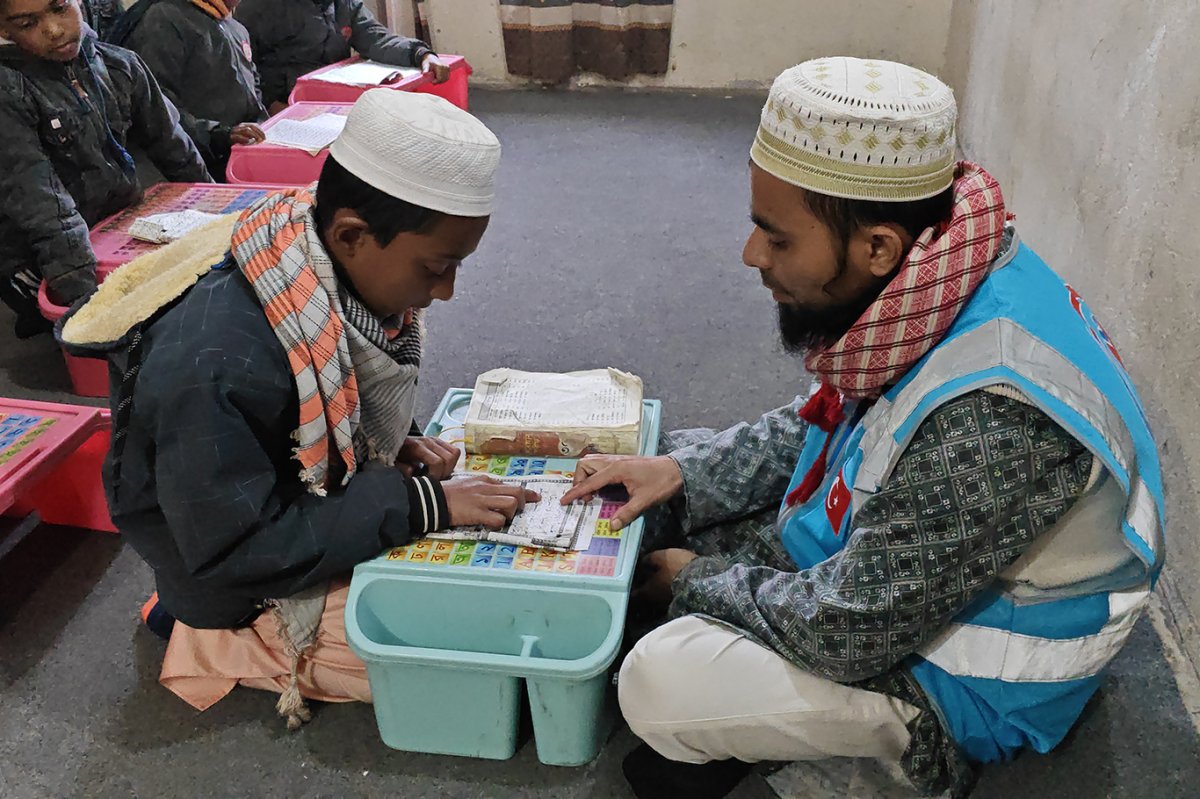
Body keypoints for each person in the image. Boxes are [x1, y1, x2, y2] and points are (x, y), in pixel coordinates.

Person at [562, 57, 1165, 799]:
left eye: (777, 239)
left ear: (877, 247)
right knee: (671, 468)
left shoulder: (995, 417)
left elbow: (847, 627)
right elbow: (830, 419)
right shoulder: (940, 272)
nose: (752, 256)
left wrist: (692, 581)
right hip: (901, 573)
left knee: (661, 680)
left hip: (964, 679)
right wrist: (685, 473)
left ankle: (900, 756)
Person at [57, 89, 536, 727]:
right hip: (230, 566)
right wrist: (426, 505)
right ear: (351, 234)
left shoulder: (304, 256)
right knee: (483, 655)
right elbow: (235, 545)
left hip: (256, 505)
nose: (446, 291)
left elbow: (331, 389)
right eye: (437, 267)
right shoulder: (215, 359)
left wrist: (398, 441)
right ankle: (209, 636)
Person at [0, 0, 211, 337]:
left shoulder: (120, 65)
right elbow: (42, 205)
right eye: (27, 24)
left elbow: (175, 147)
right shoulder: (9, 91)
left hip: (112, 221)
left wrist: (222, 225)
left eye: (60, 8)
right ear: (4, 30)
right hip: (35, 248)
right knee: (74, 328)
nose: (54, 30)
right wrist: (90, 306)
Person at [113, 0, 269, 178]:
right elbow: (157, 109)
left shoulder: (235, 27)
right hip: (188, 168)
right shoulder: (164, 20)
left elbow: (253, 85)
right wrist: (219, 135)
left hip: (239, 156)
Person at [234, 0, 452, 112]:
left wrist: (421, 54)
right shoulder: (261, 7)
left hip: (333, 101)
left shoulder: (343, 4)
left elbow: (376, 38)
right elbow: (242, 67)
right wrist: (270, 106)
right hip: (284, 105)